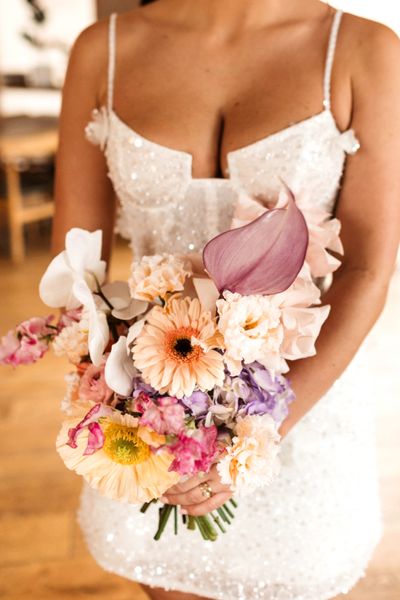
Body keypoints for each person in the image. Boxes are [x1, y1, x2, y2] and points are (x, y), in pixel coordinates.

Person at [52, 1, 400, 598]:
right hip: (150, 411)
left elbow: (367, 267)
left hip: (302, 404)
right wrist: (142, 423)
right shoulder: (101, 51)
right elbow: (79, 268)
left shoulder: (364, 49)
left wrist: (250, 439)